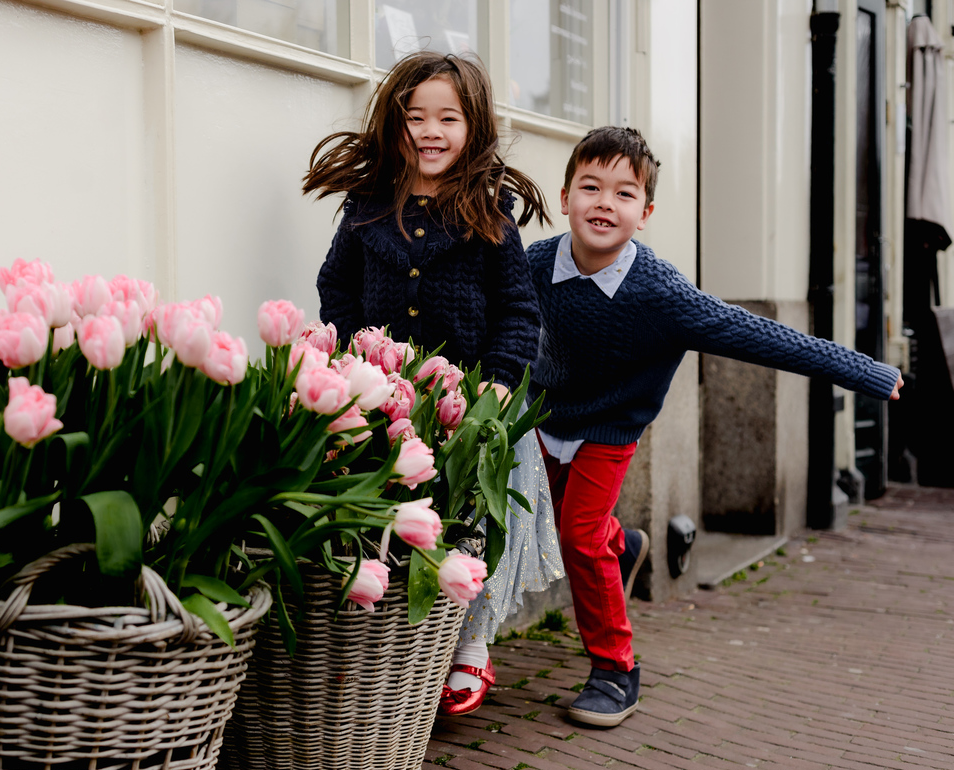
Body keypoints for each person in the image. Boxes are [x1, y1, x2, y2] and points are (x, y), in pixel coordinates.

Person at [528, 126, 904, 728]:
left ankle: (615, 669)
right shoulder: (534, 266)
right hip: (546, 420)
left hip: (612, 428)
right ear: (565, 194)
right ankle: (622, 546)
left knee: (576, 535)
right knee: (566, 528)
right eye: (590, 187)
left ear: (645, 213)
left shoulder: (661, 292)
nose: (604, 203)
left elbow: (763, 337)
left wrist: (864, 371)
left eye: (624, 194)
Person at [308, 51, 565, 716]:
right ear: (395, 127)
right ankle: (398, 639)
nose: (430, 130)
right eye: (415, 117)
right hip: (390, 398)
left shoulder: (488, 214)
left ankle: (471, 646)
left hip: (470, 403)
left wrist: (501, 383)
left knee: (472, 523)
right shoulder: (368, 209)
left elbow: (517, 310)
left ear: (473, 128)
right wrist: (350, 351)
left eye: (447, 118)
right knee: (399, 517)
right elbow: (336, 282)